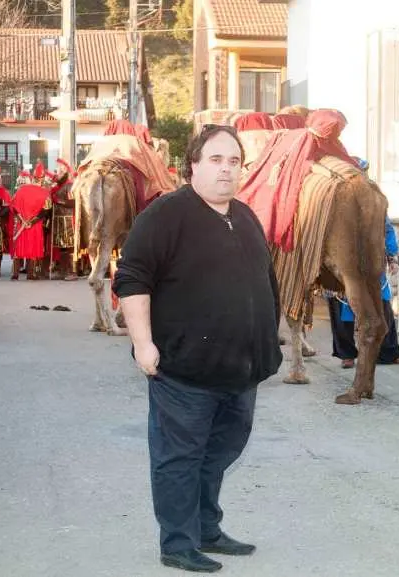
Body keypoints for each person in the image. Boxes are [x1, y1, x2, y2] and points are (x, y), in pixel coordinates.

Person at [114, 125, 283, 573]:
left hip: (240, 371)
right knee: (180, 458)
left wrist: (268, 338)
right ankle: (178, 541)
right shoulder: (167, 215)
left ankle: (207, 527)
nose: (226, 169)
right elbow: (132, 279)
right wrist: (143, 344)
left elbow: (264, 282)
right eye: (215, 159)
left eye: (233, 161)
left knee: (221, 452)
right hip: (184, 371)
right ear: (193, 164)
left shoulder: (244, 216)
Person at [327, 214, 399, 368]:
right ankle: (347, 354)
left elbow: (386, 228)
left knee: (383, 308)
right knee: (341, 309)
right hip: (341, 262)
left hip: (372, 262)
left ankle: (388, 351)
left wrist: (392, 257)